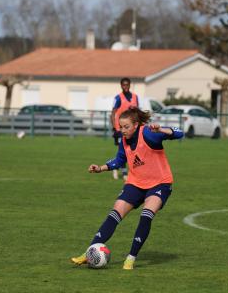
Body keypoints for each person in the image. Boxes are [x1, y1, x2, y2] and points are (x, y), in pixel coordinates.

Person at [71, 107, 184, 270]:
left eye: (126, 127)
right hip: (135, 183)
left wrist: (162, 130)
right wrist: (100, 168)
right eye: (121, 127)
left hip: (159, 183)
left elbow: (179, 133)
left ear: (136, 125)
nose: (122, 131)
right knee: (115, 213)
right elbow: (119, 160)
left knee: (146, 215)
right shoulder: (124, 141)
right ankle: (89, 252)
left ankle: (130, 259)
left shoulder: (148, 134)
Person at [110, 78, 139, 180]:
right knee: (122, 150)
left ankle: (117, 167)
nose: (125, 87)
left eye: (127, 85)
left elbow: (137, 112)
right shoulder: (118, 98)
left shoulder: (135, 97)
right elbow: (113, 113)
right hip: (120, 129)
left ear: (130, 85)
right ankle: (124, 172)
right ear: (121, 86)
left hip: (132, 129)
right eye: (123, 85)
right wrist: (115, 127)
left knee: (132, 150)